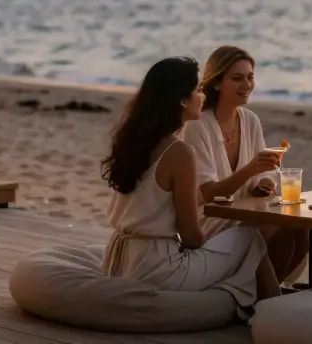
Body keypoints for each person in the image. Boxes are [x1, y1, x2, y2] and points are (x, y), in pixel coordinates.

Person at [102, 56, 279, 321]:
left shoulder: (134, 140)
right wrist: (210, 249)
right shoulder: (179, 151)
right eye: (197, 90)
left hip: (116, 260)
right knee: (249, 238)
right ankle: (275, 314)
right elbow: (191, 234)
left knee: (236, 242)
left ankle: (263, 307)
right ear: (182, 101)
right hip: (157, 269)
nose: (203, 96)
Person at [184, 46, 309, 284]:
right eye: (237, 78)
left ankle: (266, 292)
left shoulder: (250, 121)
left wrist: (263, 183)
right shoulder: (197, 126)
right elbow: (206, 193)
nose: (247, 85)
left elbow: (265, 176)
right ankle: (257, 295)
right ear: (217, 82)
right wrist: (251, 170)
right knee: (277, 228)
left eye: (250, 77)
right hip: (209, 223)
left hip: (245, 214)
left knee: (301, 227)